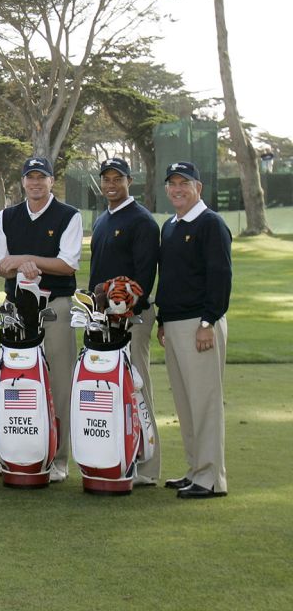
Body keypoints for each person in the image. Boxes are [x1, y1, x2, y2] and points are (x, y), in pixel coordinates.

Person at [0, 156, 82, 483]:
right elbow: (0, 265)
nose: (35, 183)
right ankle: (14, 454)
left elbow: (67, 264)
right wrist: (21, 264)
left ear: (51, 180)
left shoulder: (69, 216)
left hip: (55, 306)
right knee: (14, 381)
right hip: (15, 308)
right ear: (23, 182)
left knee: (58, 382)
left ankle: (58, 458)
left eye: (41, 177)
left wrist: (26, 260)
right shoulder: (7, 217)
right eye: (30, 177)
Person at [157, 161, 231, 500]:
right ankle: (195, 470)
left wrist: (208, 322)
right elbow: (171, 280)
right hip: (174, 323)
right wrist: (162, 321)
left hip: (199, 324)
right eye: (172, 184)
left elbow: (220, 278)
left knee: (205, 402)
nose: (177, 189)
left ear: (197, 187)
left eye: (184, 183)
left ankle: (211, 478)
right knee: (186, 404)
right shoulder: (170, 227)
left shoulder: (211, 224)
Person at [88, 157, 160, 486]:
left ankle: (146, 467)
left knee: (137, 388)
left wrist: (129, 307)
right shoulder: (104, 220)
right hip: (104, 319)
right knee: (111, 389)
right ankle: (117, 455)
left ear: (130, 181)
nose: (111, 184)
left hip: (133, 319)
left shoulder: (142, 221)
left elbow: (144, 276)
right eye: (106, 179)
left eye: (118, 178)